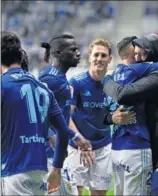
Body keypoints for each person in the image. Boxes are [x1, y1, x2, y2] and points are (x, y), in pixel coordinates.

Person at [102, 33, 158, 196]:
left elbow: (122, 94)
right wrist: (112, 118)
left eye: (142, 53)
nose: (139, 58)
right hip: (154, 151)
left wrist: (106, 79)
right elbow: (106, 112)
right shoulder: (142, 76)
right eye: (136, 54)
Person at [1, 31, 86, 195]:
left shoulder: (3, 85)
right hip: (40, 172)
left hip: (13, 169)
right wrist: (57, 168)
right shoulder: (43, 89)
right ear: (20, 55)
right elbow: (62, 130)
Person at [39, 33, 92, 195]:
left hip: (56, 155)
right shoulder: (51, 80)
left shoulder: (60, 79)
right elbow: (37, 115)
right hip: (47, 155)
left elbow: (59, 120)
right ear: (58, 53)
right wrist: (50, 136)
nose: (78, 53)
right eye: (73, 49)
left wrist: (75, 136)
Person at [65, 38, 113, 196]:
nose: (99, 59)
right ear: (89, 57)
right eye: (96, 55)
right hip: (77, 147)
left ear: (109, 59)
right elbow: (66, 115)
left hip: (103, 147)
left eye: (103, 55)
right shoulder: (77, 82)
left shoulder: (114, 85)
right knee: (74, 193)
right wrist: (80, 140)